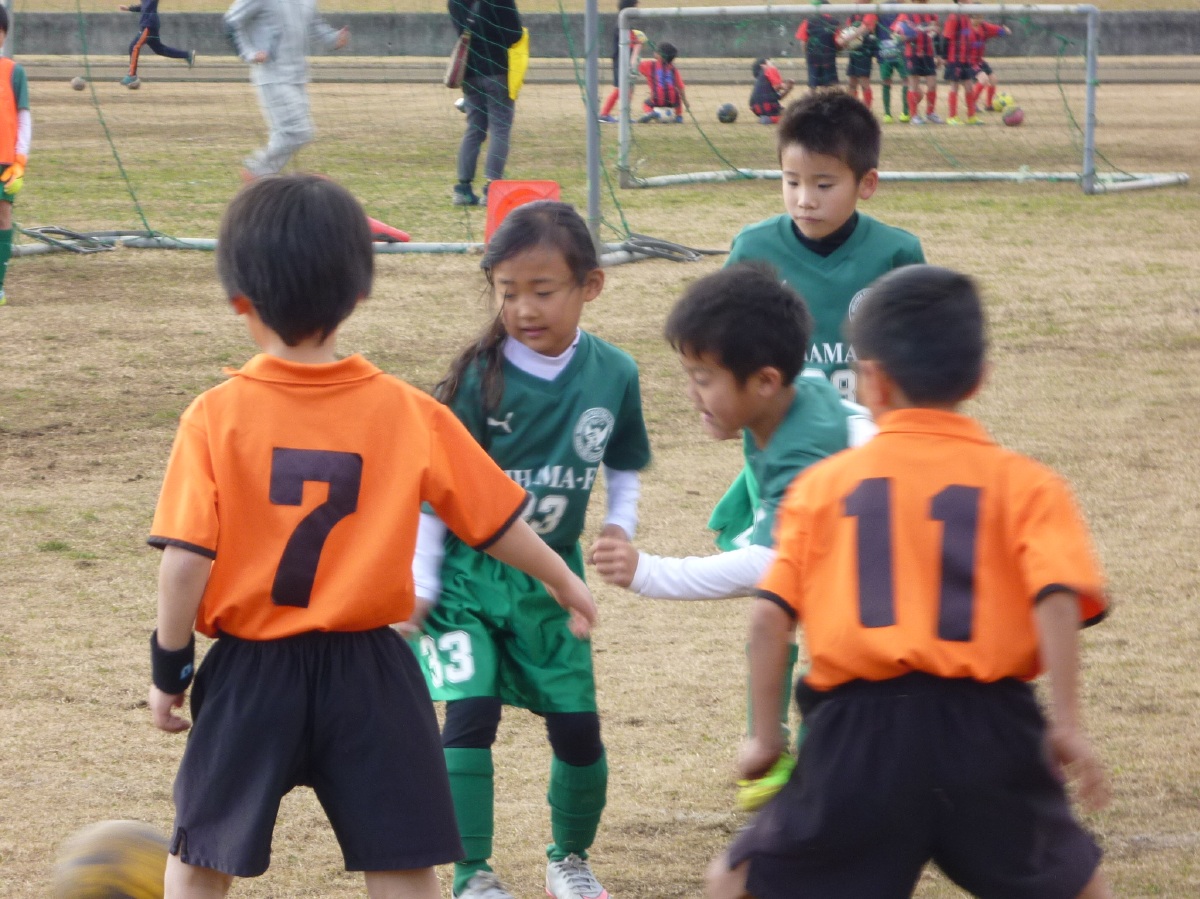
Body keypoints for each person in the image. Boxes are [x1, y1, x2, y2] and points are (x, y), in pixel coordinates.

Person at [145, 175, 598, 899]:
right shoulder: (407, 411)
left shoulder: (214, 416)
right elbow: (493, 521)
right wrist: (563, 578)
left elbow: (184, 562)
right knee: (404, 860)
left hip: (252, 672)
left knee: (201, 855)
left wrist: (170, 670)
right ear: (359, 293)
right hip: (372, 673)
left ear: (239, 300)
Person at [706, 264, 1113, 899]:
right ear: (979, 378)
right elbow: (1056, 597)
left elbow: (768, 619)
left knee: (735, 881)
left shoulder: (821, 488)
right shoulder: (1031, 486)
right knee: (1077, 888)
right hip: (989, 728)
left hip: (858, 735)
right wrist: (1065, 722)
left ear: (871, 379)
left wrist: (764, 739)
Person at [409, 201, 651, 899]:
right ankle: (471, 873)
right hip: (466, 575)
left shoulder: (614, 372)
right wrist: (421, 581)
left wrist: (619, 524)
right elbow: (434, 493)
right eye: (507, 291)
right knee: (470, 715)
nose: (522, 308)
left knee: (578, 728)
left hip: (552, 576)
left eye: (542, 291)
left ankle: (569, 859)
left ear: (590, 286)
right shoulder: (476, 377)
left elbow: (624, 458)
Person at [725, 91, 925, 404]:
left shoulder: (897, 254)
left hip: (869, 432)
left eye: (823, 185)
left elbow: (920, 356)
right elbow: (723, 342)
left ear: (866, 183)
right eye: (792, 182)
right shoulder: (753, 249)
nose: (805, 200)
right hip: (781, 433)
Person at [223, 0, 349, 181]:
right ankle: (257, 171)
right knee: (296, 132)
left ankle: (264, 179)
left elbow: (315, 26)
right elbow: (230, 22)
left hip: (298, 77)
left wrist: (334, 39)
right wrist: (249, 53)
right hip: (272, 76)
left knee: (293, 133)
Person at [450, 0, 523, 207]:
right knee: (500, 128)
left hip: (469, 71)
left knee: (474, 129)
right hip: (497, 70)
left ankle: (463, 188)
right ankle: (492, 187)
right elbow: (515, 34)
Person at [0, 6, 30, 308]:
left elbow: (24, 119)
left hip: (5, 162)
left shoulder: (13, 72)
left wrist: (20, 161)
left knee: (3, 216)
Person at [117, 0, 195, 90]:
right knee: (159, 49)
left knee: (134, 46)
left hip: (148, 25)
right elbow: (144, 7)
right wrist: (128, 8)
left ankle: (132, 75)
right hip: (150, 25)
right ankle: (187, 55)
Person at [893, 0, 941, 124]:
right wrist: (903, 36)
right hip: (912, 54)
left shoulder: (930, 13)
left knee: (932, 84)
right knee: (914, 84)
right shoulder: (906, 13)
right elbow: (896, 33)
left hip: (928, 53)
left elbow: (936, 31)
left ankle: (930, 113)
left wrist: (938, 54)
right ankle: (914, 115)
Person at [598, 0, 645, 123]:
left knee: (629, 88)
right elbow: (628, 43)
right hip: (620, 61)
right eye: (635, 7)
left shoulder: (626, 24)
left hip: (626, 60)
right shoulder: (621, 24)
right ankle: (604, 114)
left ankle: (624, 115)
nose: (637, 10)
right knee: (620, 88)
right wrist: (638, 44)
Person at [942, 2, 982, 125]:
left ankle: (971, 116)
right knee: (954, 86)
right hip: (955, 59)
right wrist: (944, 57)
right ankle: (952, 117)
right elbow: (946, 37)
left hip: (966, 59)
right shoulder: (954, 16)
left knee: (969, 86)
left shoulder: (966, 17)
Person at [841, 1, 880, 112]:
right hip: (854, 52)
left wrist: (847, 39)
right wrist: (842, 40)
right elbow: (847, 30)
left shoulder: (870, 12)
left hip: (864, 53)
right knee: (852, 81)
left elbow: (864, 29)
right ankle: (851, 109)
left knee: (864, 82)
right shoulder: (853, 15)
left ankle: (866, 110)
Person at [969, 14, 1012, 113]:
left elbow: (997, 30)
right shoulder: (966, 29)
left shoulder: (984, 27)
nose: (980, 20)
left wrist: (1004, 31)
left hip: (979, 60)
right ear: (971, 17)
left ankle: (988, 105)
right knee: (983, 79)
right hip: (969, 61)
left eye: (981, 17)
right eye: (977, 17)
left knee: (993, 79)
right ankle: (971, 104)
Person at [793, 4, 840, 93]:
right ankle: (825, 101)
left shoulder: (807, 22)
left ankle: (812, 100)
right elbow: (838, 42)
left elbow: (803, 42)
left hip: (813, 59)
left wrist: (807, 55)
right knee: (827, 87)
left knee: (812, 86)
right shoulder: (834, 22)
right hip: (828, 59)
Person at [876, 3, 910, 123]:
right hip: (894, 52)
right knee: (903, 80)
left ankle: (894, 114)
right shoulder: (880, 10)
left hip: (890, 51)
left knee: (893, 81)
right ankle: (899, 113)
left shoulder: (880, 9)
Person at [636, 40, 687, 123]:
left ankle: (650, 113)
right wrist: (686, 102)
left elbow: (636, 64)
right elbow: (681, 88)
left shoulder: (650, 65)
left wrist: (637, 48)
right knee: (677, 96)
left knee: (646, 104)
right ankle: (679, 116)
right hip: (672, 99)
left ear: (660, 55)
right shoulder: (673, 69)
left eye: (656, 50)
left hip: (657, 97)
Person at [748, 58, 794, 125]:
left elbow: (779, 97)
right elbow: (777, 86)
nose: (772, 64)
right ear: (763, 66)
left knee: (788, 113)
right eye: (770, 63)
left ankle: (767, 118)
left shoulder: (761, 80)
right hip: (767, 105)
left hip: (755, 108)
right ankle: (770, 119)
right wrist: (786, 86)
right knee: (792, 117)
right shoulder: (769, 69)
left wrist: (788, 89)